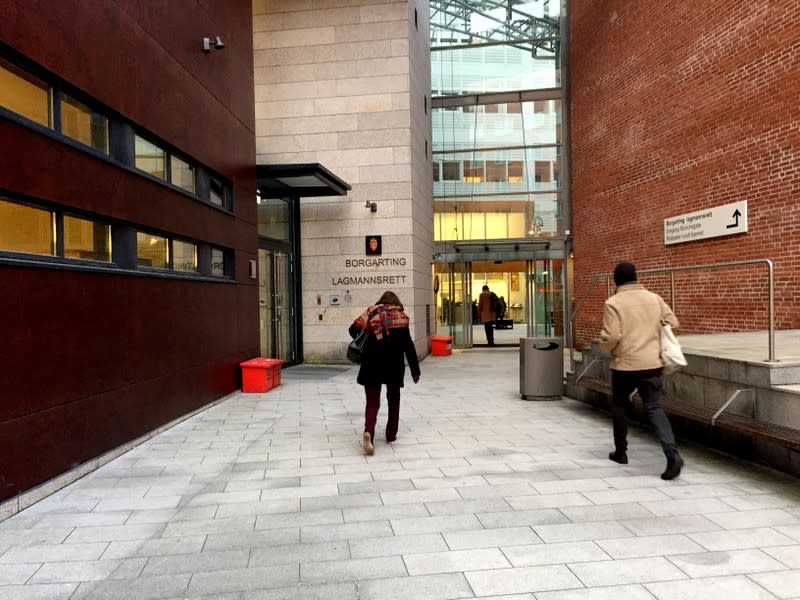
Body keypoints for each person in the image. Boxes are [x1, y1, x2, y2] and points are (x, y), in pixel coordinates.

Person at [599, 261, 685, 480]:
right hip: (652, 363)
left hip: (625, 364)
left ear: (616, 280)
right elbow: (671, 321)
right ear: (636, 277)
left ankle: (621, 452)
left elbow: (613, 336)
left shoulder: (613, 303)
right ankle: (671, 453)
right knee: (654, 407)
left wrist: (605, 348)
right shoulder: (654, 298)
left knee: (620, 405)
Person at [349, 291, 420, 455]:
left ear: (381, 301)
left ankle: (369, 432)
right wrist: (415, 371)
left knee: (372, 402)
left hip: (372, 362)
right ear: (396, 302)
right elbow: (408, 346)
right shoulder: (401, 317)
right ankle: (391, 434)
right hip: (394, 364)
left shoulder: (370, 312)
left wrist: (369, 333)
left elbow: (353, 330)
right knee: (394, 398)